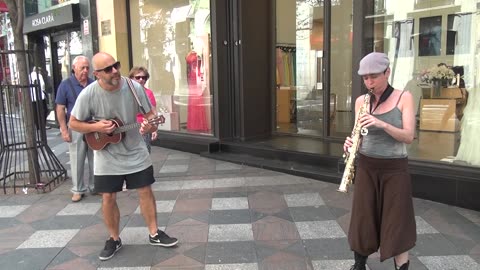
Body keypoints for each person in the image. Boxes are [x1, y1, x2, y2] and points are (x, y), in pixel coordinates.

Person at [68, 52, 178, 261]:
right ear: (97, 74)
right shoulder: (89, 94)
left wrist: (150, 126)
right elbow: (74, 123)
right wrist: (97, 126)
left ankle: (154, 233)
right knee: (108, 197)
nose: (115, 71)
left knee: (145, 190)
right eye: (108, 69)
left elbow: (151, 116)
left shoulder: (133, 88)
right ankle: (114, 238)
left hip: (135, 150)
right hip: (106, 154)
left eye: (116, 65)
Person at [343, 52, 416, 270]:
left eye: (373, 76)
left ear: (387, 72)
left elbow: (408, 137)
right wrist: (349, 144)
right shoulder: (361, 101)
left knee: (397, 222)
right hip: (367, 166)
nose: (369, 82)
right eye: (365, 78)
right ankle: (359, 265)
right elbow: (359, 134)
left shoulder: (404, 98)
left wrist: (381, 124)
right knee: (363, 219)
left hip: (394, 169)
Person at [55, 55, 95, 202]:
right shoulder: (65, 85)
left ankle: (94, 186)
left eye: (87, 68)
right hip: (75, 126)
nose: (85, 71)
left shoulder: (93, 83)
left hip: (92, 126)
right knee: (77, 158)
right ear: (74, 68)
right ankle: (78, 189)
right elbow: (60, 108)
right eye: (82, 68)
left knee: (95, 158)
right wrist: (63, 129)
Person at [128, 66, 157, 153]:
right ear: (131, 78)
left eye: (144, 77)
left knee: (144, 152)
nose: (141, 79)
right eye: (138, 77)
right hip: (127, 128)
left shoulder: (149, 93)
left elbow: (153, 112)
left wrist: (154, 129)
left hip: (143, 127)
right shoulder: (126, 92)